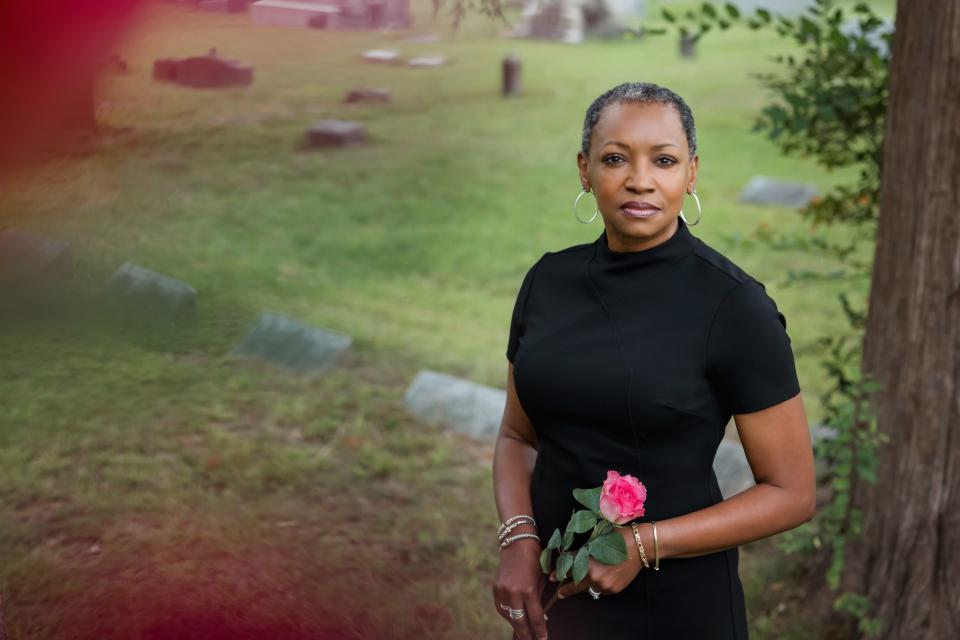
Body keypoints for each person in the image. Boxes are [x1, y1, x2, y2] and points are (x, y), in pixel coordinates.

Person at [490, 82, 816, 640]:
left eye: (663, 160)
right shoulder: (548, 281)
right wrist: (519, 540)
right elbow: (518, 437)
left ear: (691, 173)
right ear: (584, 170)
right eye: (615, 158)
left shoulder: (734, 308)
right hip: (555, 596)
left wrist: (643, 545)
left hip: (675, 608)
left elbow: (792, 493)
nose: (640, 180)